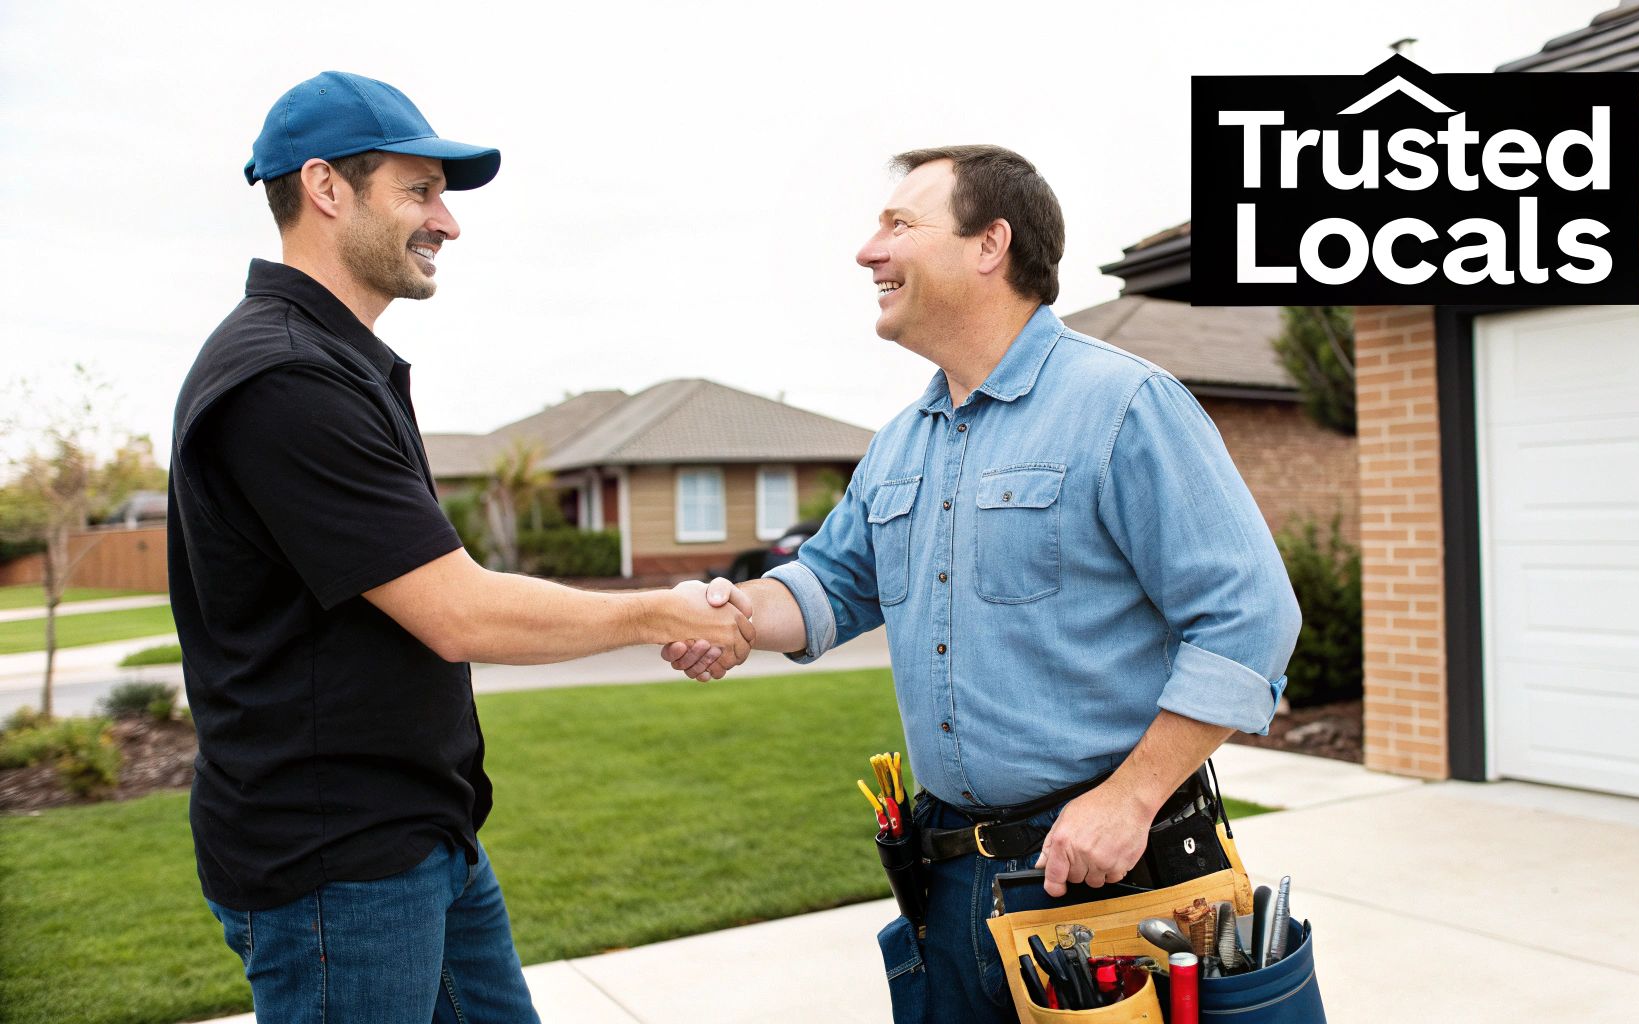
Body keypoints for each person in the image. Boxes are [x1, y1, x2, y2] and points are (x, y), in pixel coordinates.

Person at [662, 145, 1301, 1022]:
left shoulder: (1121, 406)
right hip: (953, 879)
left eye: (899, 225)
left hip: (1111, 867)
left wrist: (1130, 797)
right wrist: (732, 616)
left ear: (989, 244)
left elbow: (1250, 616)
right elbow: (829, 587)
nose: (867, 252)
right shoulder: (903, 441)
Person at [168, 72, 753, 1023]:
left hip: (419, 838)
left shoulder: (328, 361)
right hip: (339, 869)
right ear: (325, 188)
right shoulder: (283, 379)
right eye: (419, 191)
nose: (448, 221)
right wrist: (660, 610)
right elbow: (457, 611)